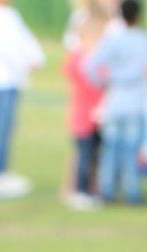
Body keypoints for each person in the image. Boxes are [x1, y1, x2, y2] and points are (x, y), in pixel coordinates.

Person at [85, 0, 147, 208]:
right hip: (135, 101)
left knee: (110, 148)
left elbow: (90, 66)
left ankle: (106, 190)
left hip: (114, 99)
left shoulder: (113, 40)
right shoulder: (143, 40)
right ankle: (132, 192)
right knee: (131, 150)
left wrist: (103, 82)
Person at [0, 0, 45, 199]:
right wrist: (24, 63)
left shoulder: (9, 14)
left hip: (14, 79)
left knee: (8, 126)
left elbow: (25, 39)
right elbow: (3, 47)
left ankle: (3, 172)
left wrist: (36, 58)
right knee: (1, 127)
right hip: (1, 80)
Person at [62, 9, 107, 210]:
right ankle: (79, 191)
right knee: (83, 155)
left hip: (97, 117)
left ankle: (90, 189)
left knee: (95, 155)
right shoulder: (79, 59)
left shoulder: (97, 60)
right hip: (83, 118)